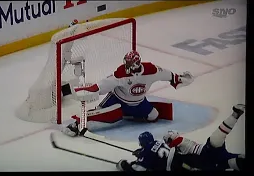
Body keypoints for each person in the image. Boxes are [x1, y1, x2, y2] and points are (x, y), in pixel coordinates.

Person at [63, 50, 194, 137]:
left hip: (139, 102)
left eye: (129, 63)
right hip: (117, 99)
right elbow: (102, 85)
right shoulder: (121, 73)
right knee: (105, 115)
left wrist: (180, 79)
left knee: (153, 116)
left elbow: (169, 75)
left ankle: (126, 114)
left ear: (136, 64)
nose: (125, 65)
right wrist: (88, 90)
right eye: (126, 62)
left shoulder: (151, 70)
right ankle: (77, 123)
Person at [116, 104, 245, 171]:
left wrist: (123, 164)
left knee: (224, 158)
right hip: (202, 154)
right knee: (225, 153)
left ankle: (234, 115)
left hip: (198, 160)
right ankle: (234, 115)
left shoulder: (151, 150)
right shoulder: (162, 142)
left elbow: (138, 169)